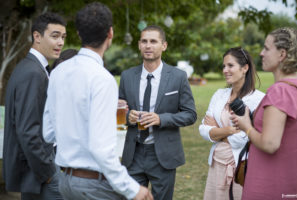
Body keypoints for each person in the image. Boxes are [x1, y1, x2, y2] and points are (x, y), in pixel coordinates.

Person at [42, 3, 153, 200]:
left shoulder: (58, 72)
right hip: (93, 185)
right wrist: (133, 189)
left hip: (65, 181)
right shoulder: (102, 79)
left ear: (78, 33)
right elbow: (101, 149)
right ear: (110, 33)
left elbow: (48, 133)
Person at [119, 25, 197, 200]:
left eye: (153, 41)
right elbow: (117, 112)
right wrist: (128, 116)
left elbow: (190, 114)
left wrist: (160, 119)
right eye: (144, 41)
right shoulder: (127, 76)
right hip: (133, 153)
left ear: (164, 45)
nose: (148, 45)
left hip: (163, 155)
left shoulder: (178, 76)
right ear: (139, 45)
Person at [3, 12, 66, 200]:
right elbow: (27, 130)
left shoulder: (31, 67)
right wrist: (47, 172)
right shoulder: (32, 72)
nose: (61, 42)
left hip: (36, 173)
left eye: (63, 37)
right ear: (37, 36)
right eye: (55, 36)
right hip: (39, 173)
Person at [231, 27, 297, 199]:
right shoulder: (296, 88)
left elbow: (270, 144)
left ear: (282, 54)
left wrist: (247, 127)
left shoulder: (280, 92)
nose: (261, 53)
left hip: (269, 186)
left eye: (267, 48)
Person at [199, 47, 265, 200]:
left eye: (230, 65)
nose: (225, 70)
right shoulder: (219, 95)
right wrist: (229, 130)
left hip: (240, 169)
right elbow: (203, 129)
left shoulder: (259, 100)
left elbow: (242, 140)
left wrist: (217, 131)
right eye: (223, 66)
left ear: (245, 68)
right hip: (216, 164)